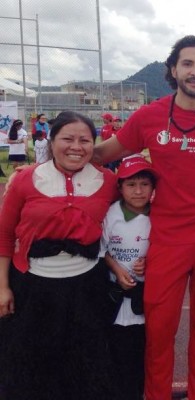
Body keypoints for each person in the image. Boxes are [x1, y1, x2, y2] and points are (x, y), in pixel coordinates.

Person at [92, 35, 195, 400]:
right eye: (188, 64)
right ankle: (157, 394)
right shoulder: (148, 116)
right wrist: (60, 154)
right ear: (173, 69)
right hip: (165, 240)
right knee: (160, 330)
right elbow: (102, 153)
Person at [0, 111, 118, 399]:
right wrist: (2, 287)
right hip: (32, 287)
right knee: (30, 367)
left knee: (83, 368)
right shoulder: (25, 179)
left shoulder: (110, 182)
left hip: (87, 288)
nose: (76, 147)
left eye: (85, 140)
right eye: (67, 138)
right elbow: (4, 235)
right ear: (51, 142)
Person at [102, 154, 156, 400]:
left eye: (144, 184)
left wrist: (150, 263)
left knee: (139, 357)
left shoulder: (158, 217)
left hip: (143, 300)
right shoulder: (109, 214)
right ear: (120, 187)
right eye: (131, 185)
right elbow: (101, 251)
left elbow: (166, 250)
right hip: (113, 298)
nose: (138, 191)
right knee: (113, 355)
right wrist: (116, 269)